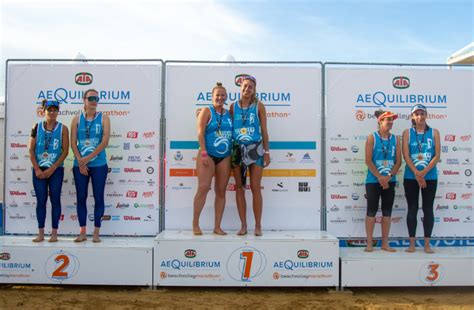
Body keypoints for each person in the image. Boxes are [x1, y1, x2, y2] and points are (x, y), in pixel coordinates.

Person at [230, 75, 270, 236]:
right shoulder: (233, 107)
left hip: (256, 148)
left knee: (255, 187)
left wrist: (266, 152)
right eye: (245, 86)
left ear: (254, 90)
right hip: (237, 148)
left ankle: (258, 225)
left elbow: (264, 131)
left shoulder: (259, 106)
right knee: (240, 188)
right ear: (240, 87)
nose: (247, 89)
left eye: (250, 87)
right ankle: (244, 225)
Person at [192, 82, 233, 235]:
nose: (220, 98)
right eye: (217, 95)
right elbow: (200, 133)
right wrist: (203, 152)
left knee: (221, 191)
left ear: (226, 97)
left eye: (223, 95)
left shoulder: (229, 113)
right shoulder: (206, 111)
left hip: (225, 156)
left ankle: (217, 226)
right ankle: (195, 224)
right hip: (207, 154)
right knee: (203, 188)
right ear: (212, 96)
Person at [70, 89, 110, 243]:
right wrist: (80, 161)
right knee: (81, 197)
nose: (94, 101)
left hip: (99, 164)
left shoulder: (104, 118)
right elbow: (73, 143)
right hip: (80, 165)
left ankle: (96, 232)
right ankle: (82, 232)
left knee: (98, 197)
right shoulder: (76, 119)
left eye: (96, 98)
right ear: (84, 100)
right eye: (91, 98)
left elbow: (104, 141)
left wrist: (86, 159)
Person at [28, 99, 69, 242]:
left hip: (55, 170)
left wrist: (53, 167)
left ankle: (54, 233)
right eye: (49, 110)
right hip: (39, 170)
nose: (52, 112)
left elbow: (65, 152)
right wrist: (37, 169)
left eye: (55, 110)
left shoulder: (63, 128)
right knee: (41, 201)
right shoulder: (36, 127)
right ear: (44, 111)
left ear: (58, 111)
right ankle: (40, 233)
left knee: (55, 200)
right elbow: (31, 150)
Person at [402, 104, 440, 253]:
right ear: (412, 116)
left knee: (428, 209)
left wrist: (423, 172)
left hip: (430, 176)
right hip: (411, 177)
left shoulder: (434, 132)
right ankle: (412, 244)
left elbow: (437, 156)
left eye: (422, 113)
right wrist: (417, 174)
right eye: (416, 114)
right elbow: (406, 155)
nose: (420, 117)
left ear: (426, 115)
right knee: (412, 209)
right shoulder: (407, 133)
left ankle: (427, 245)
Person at [364, 110, 401, 252]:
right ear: (380, 121)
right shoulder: (371, 138)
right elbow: (368, 161)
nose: (391, 122)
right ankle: (369, 243)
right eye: (388, 120)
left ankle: (384, 243)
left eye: (392, 120)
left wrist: (389, 177)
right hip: (373, 181)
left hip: (390, 181)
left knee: (387, 212)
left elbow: (398, 161)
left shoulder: (396, 139)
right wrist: (380, 177)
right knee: (371, 211)